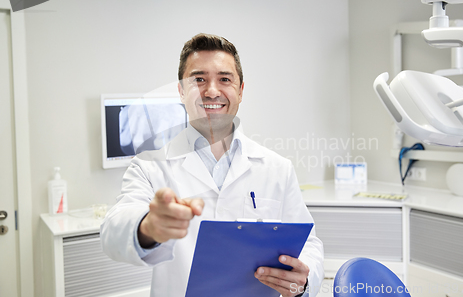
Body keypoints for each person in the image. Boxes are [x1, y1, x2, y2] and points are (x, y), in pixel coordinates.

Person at [100, 33, 324, 297]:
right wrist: (148, 226)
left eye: (225, 79)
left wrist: (303, 281)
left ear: (241, 91)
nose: (212, 90)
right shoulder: (149, 167)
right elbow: (112, 232)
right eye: (199, 79)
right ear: (181, 91)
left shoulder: (277, 168)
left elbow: (308, 243)